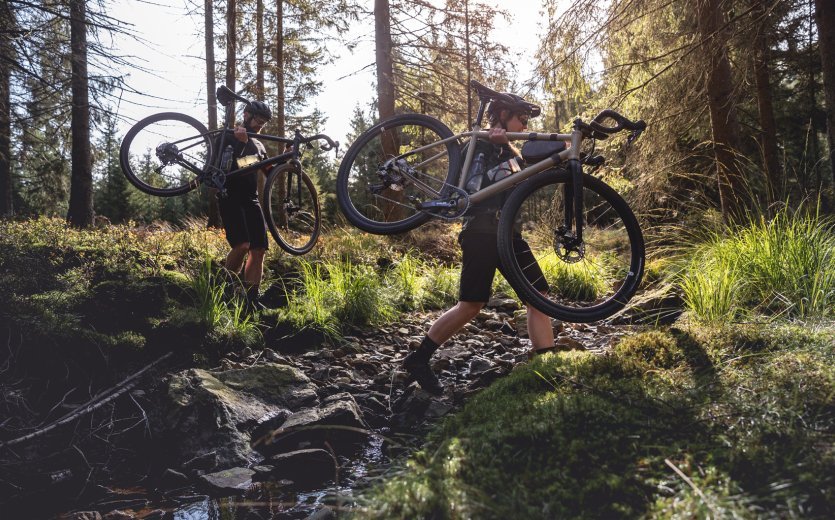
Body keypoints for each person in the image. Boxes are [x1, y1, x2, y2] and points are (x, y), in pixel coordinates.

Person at [402, 92, 558, 395]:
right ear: (501, 115)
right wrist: (507, 154)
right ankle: (418, 359)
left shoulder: (507, 150)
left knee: (538, 295)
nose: (525, 123)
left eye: (527, 119)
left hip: (509, 234)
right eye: (520, 117)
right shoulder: (480, 145)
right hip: (481, 231)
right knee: (471, 304)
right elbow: (475, 187)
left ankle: (547, 369)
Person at [217, 100, 272, 310]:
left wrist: (287, 155)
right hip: (230, 194)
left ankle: (251, 300)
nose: (260, 125)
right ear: (247, 115)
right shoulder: (228, 135)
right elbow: (228, 166)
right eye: (258, 119)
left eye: (264, 122)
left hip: (251, 198)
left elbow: (267, 169)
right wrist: (242, 143)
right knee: (242, 245)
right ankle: (225, 289)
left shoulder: (258, 144)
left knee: (258, 251)